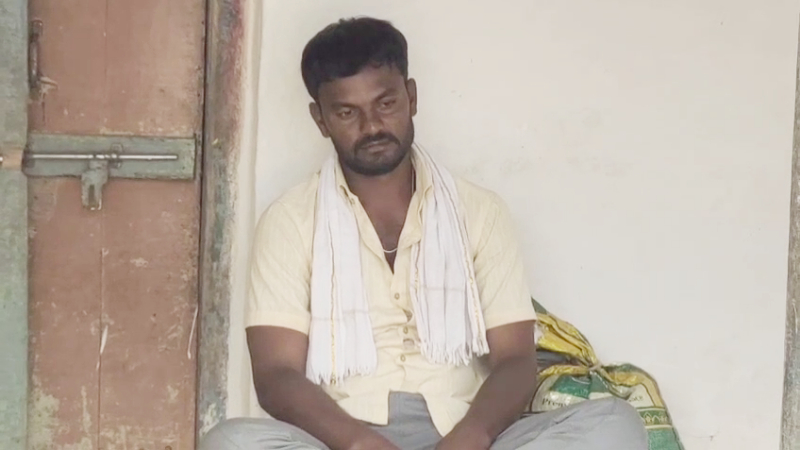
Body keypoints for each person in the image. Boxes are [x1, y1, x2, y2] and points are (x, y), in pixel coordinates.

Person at [201, 17, 648, 450]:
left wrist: (471, 439)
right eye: (347, 112)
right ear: (321, 120)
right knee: (230, 443)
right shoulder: (289, 221)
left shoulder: (481, 212)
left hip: (464, 432)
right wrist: (359, 442)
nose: (371, 126)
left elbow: (515, 359)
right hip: (340, 439)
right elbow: (276, 374)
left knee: (613, 425)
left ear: (411, 97)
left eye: (386, 103)